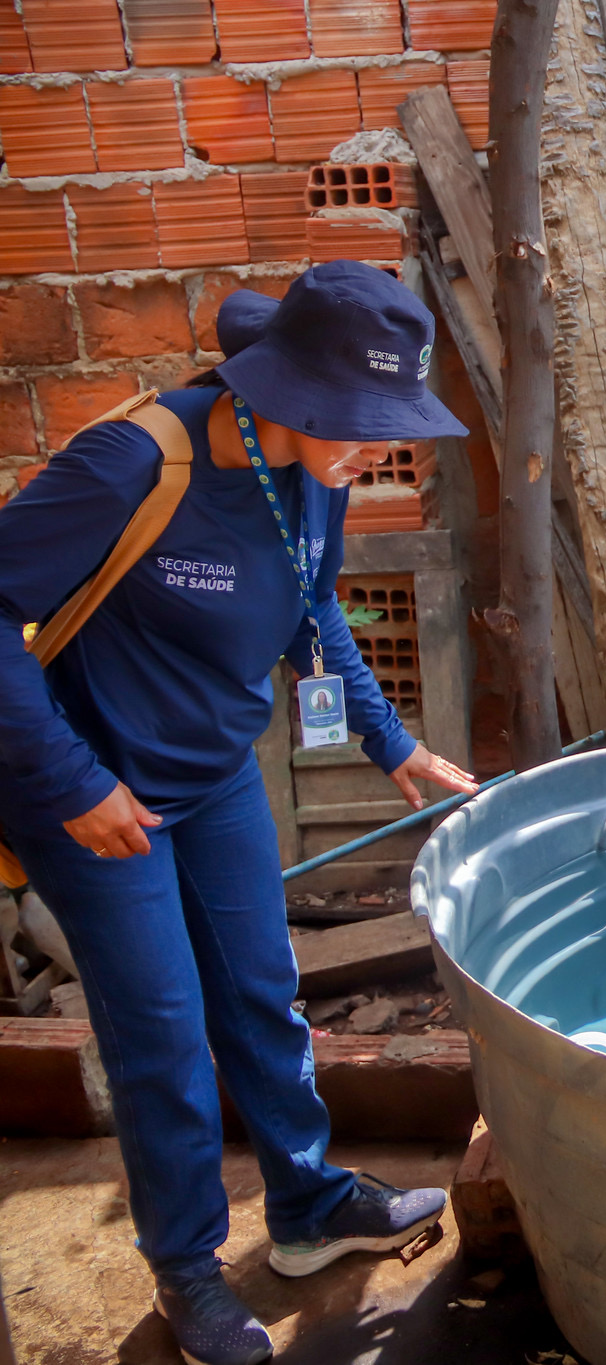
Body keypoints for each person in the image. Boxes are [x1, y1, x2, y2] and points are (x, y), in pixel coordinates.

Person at [0, 261, 481, 1365]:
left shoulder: (316, 469)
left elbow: (317, 608)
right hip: (92, 795)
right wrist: (72, 783)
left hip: (213, 777)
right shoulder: (135, 460)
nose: (378, 445)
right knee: (162, 1034)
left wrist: (389, 738)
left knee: (262, 992)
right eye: (362, 421)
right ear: (285, 389)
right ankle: (185, 1273)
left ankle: (307, 1207)